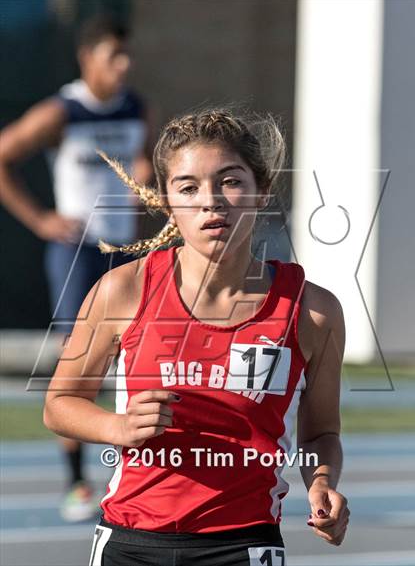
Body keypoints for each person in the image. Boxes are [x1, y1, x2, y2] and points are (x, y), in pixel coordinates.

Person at [43, 107, 350, 565]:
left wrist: (322, 483)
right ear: (167, 202)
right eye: (188, 188)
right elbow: (59, 404)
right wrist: (117, 426)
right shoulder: (122, 290)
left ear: (261, 190)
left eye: (230, 181)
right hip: (131, 542)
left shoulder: (313, 311)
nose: (211, 202)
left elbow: (321, 432)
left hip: (244, 544)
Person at [0, 14, 161, 522]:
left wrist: (144, 177)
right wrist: (41, 220)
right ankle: (75, 483)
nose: (124, 65)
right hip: (77, 252)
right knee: (78, 366)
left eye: (127, 55)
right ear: (86, 58)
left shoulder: (138, 107)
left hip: (126, 250)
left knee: (137, 358)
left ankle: (137, 470)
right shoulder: (61, 112)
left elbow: (144, 157)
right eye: (114, 55)